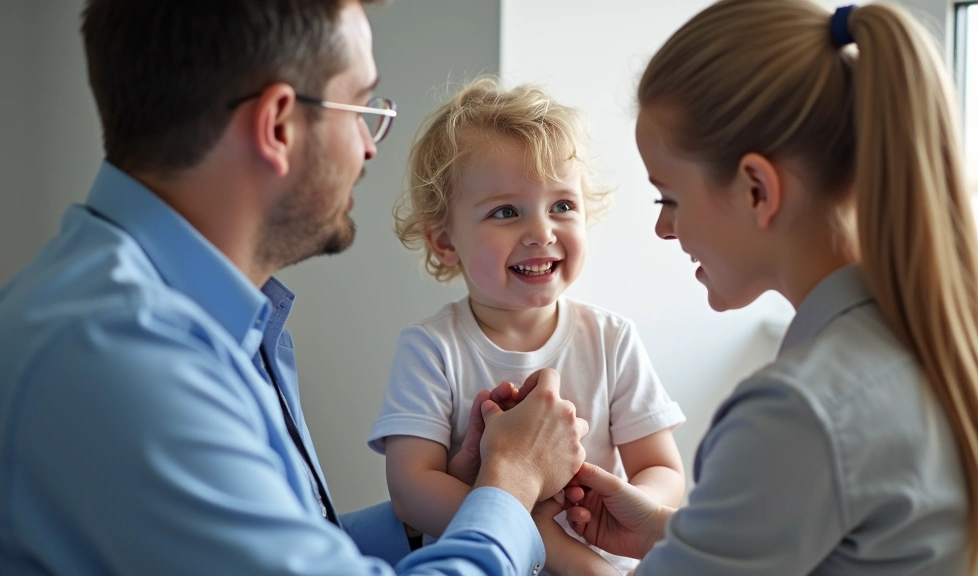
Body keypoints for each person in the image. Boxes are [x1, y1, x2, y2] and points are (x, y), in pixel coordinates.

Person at [0, 1, 590, 574]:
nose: (368, 144)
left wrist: (452, 505)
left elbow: (290, 547)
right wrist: (512, 483)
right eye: (359, 106)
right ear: (278, 125)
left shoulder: (197, 317)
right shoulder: (122, 355)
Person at [546, 0, 978, 574]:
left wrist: (519, 517)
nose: (663, 228)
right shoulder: (941, 351)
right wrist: (668, 534)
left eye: (668, 197)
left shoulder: (798, 411)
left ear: (756, 190)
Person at [367, 78, 686, 575]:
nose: (541, 232)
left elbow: (662, 469)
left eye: (562, 205)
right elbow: (412, 490)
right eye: (506, 212)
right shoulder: (432, 348)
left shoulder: (611, 338)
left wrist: (622, 501)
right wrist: (540, 537)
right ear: (446, 242)